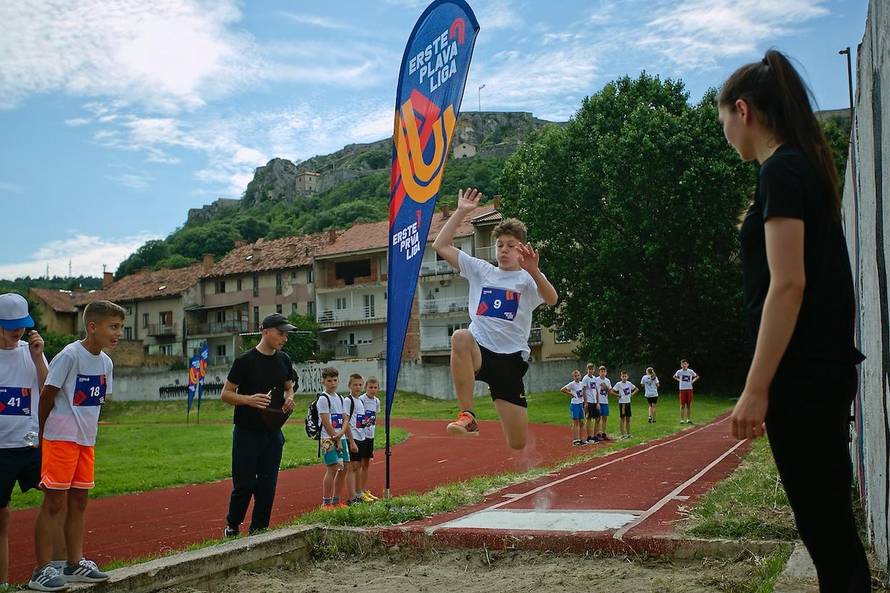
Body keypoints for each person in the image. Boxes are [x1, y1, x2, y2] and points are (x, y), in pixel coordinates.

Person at [719, 49, 870, 590]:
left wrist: (756, 389)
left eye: (725, 123)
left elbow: (788, 285)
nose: (727, 135)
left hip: (802, 375)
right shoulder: (802, 166)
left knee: (825, 527)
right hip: (818, 370)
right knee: (828, 523)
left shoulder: (782, 170)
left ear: (745, 111)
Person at [433, 188, 558, 450]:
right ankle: (467, 416)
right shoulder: (481, 270)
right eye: (500, 245)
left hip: (511, 361)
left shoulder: (527, 278)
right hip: (481, 350)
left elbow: (551, 299)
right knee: (460, 337)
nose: (503, 250)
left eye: (510, 246)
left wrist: (534, 270)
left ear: (522, 248)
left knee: (517, 443)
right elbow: (441, 245)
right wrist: (462, 212)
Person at [31, 301, 123, 591]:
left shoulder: (106, 363)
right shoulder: (70, 355)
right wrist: (43, 436)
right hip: (60, 439)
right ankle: (42, 570)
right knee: (54, 502)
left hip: (85, 442)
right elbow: (47, 396)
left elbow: (96, 404)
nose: (118, 333)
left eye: (121, 327)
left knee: (80, 502)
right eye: (114, 327)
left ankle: (74, 562)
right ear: (93, 327)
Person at [0, 294, 64, 590]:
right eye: (10, 326)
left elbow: (49, 389)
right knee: (2, 516)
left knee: (57, 496)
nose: (18, 332)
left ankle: (54, 568)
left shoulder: (31, 351)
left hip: (32, 444)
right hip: (1, 449)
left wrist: (38, 357)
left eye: (22, 325)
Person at [220, 313, 296, 537]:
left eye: (286, 334)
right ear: (265, 331)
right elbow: (225, 394)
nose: (285, 338)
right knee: (244, 485)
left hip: (273, 433)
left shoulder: (284, 359)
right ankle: (232, 526)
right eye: (281, 333)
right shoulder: (245, 361)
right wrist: (249, 400)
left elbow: (288, 386)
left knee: (267, 485)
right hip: (247, 432)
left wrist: (290, 397)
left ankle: (259, 530)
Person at [315, 367, 347, 509]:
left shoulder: (340, 398)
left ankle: (336, 500)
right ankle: (326, 503)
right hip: (328, 439)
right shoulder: (323, 399)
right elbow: (326, 422)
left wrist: (342, 436)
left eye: (335, 380)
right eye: (329, 380)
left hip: (341, 436)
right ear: (323, 381)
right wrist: (337, 439)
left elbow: (345, 418)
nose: (332, 383)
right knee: (333, 468)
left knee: (343, 468)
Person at [343, 373, 365, 505]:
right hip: (353, 438)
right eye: (355, 385)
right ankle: (351, 497)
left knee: (358, 466)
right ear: (349, 386)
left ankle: (358, 493)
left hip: (361, 437)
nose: (358, 387)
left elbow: (358, 420)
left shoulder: (360, 401)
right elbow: (346, 422)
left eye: (360, 385)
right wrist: (351, 441)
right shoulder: (348, 401)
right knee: (351, 467)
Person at [358, 378, 380, 501]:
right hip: (361, 436)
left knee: (366, 464)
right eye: (370, 387)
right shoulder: (361, 400)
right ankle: (358, 491)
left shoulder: (377, 401)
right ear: (366, 388)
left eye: (375, 387)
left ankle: (364, 490)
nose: (373, 390)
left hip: (370, 436)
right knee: (359, 463)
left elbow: (374, 417)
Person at [560, 370, 586, 446]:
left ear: (580, 375)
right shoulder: (572, 384)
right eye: (575, 376)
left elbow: (583, 392)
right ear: (573, 377)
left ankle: (581, 439)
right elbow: (562, 389)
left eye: (578, 375)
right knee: (575, 422)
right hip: (575, 404)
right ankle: (575, 439)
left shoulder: (581, 383)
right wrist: (570, 393)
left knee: (581, 422)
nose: (577, 377)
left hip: (581, 403)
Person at [610, 371, 638, 439]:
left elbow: (636, 389)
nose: (624, 378)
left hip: (628, 402)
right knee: (622, 419)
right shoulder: (618, 384)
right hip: (622, 403)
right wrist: (618, 395)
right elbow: (611, 391)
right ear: (621, 377)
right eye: (623, 376)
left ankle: (628, 434)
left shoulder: (629, 383)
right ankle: (622, 434)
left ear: (627, 377)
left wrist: (632, 394)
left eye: (625, 376)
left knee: (628, 419)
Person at [673, 360, 699, 424]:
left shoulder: (690, 371)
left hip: (689, 389)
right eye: (682, 364)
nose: (684, 365)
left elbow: (697, 376)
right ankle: (682, 420)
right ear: (681, 365)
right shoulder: (679, 371)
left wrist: (693, 381)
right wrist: (679, 380)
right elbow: (674, 376)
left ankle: (688, 419)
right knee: (682, 405)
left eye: (685, 364)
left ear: (687, 364)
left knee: (689, 405)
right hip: (682, 389)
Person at [581, 363, 600, 443]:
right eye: (589, 369)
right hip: (588, 401)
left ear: (594, 370)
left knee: (597, 418)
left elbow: (596, 390)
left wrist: (598, 402)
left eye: (592, 369)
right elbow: (583, 390)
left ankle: (595, 436)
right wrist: (585, 402)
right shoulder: (585, 379)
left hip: (594, 401)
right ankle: (588, 437)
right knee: (588, 418)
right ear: (587, 370)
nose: (591, 371)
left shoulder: (594, 378)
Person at [595, 366, 612, 441]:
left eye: (604, 371)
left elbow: (610, 391)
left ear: (606, 372)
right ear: (599, 372)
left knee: (604, 418)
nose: (603, 373)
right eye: (601, 371)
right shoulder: (596, 380)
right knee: (597, 418)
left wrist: (606, 387)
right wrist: (596, 402)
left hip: (605, 401)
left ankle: (604, 433)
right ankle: (597, 433)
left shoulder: (607, 380)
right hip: (598, 401)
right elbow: (594, 390)